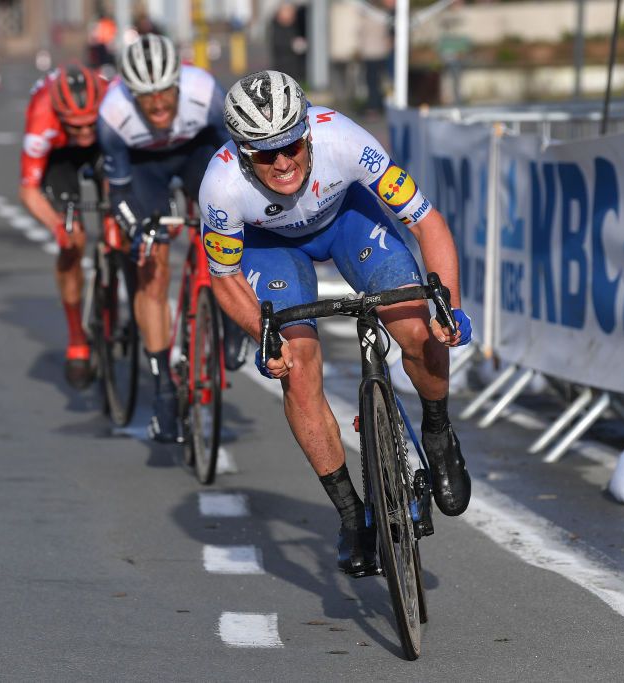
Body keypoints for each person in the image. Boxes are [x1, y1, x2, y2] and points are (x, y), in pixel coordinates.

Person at [200, 70, 472, 574]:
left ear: (307, 133)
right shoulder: (219, 186)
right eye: (264, 154)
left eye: (290, 147)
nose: (282, 163)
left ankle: (437, 430)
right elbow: (225, 278)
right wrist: (264, 339)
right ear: (241, 153)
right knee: (298, 368)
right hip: (272, 247)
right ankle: (351, 515)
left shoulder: (345, 140)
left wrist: (448, 306)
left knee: (415, 325)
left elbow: (427, 222)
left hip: (348, 219)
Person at [98, 33, 236, 443]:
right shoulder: (113, 115)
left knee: (232, 227)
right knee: (151, 265)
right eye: (146, 97)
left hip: (196, 153)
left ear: (179, 82)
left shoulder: (206, 93)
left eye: (165, 93)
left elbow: (237, 159)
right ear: (130, 93)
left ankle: (232, 323)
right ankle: (162, 387)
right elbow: (119, 194)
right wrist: (140, 228)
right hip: (143, 169)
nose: (158, 105)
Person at [19, 63, 109, 389]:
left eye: (89, 125)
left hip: (107, 145)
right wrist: (58, 226)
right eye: (77, 127)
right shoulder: (42, 116)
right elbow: (28, 190)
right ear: (60, 115)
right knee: (73, 242)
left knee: (123, 214)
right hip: (59, 156)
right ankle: (77, 337)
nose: (85, 135)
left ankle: (117, 262)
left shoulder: (111, 99)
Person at [269, 2, 307, 83]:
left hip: (297, 71)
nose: (292, 14)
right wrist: (294, 45)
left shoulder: (296, 27)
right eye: (288, 11)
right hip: (282, 71)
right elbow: (279, 44)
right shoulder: (276, 28)